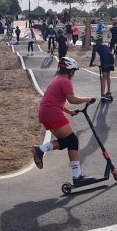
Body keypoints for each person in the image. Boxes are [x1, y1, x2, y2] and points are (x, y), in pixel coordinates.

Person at [30, 57, 95, 186]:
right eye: (74, 72)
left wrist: (70, 112)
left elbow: (54, 100)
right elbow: (72, 99)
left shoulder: (56, 79)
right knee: (73, 141)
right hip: (53, 113)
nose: (74, 75)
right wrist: (88, 99)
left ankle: (42, 150)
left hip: (45, 113)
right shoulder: (65, 81)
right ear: (70, 71)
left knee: (67, 142)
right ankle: (77, 177)